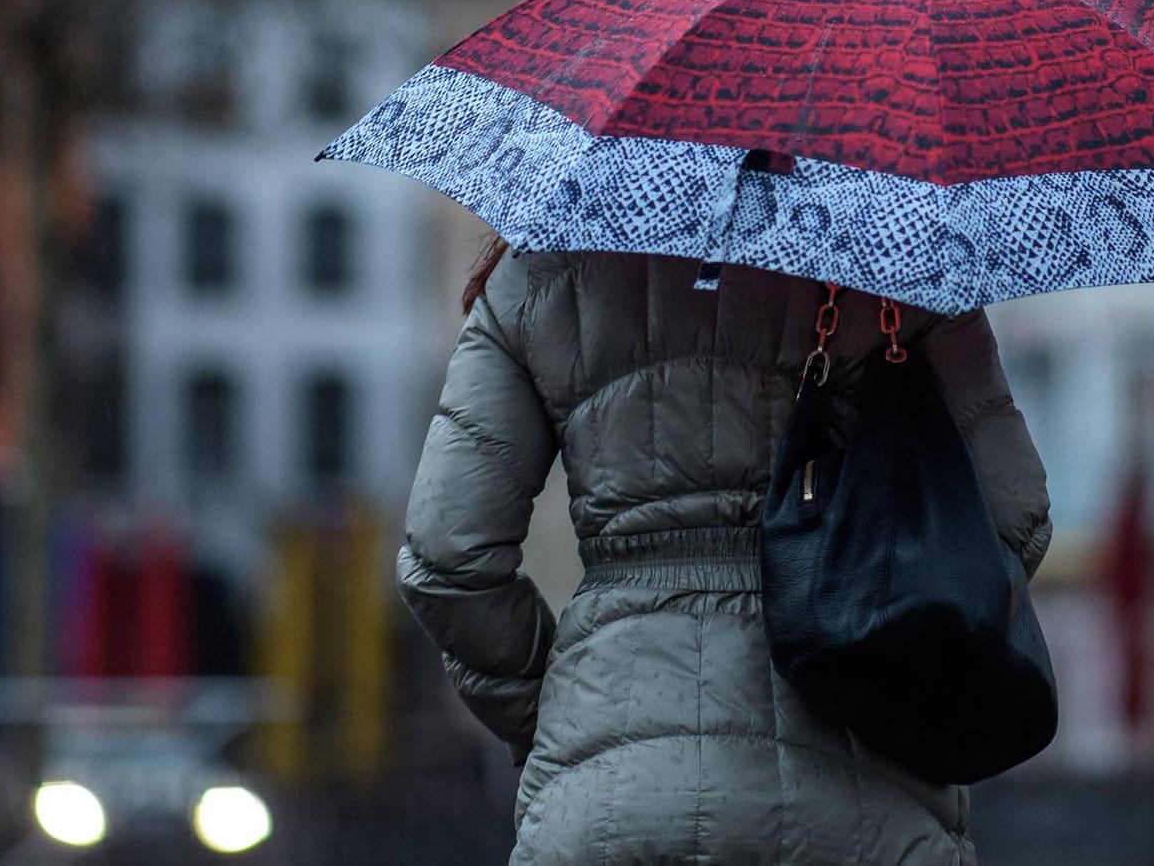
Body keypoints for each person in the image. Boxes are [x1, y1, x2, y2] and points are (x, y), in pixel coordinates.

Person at [397, 239, 1052, 865]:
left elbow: (448, 559)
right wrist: (891, 656)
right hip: (864, 797)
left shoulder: (537, 271)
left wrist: (558, 718)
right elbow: (1011, 518)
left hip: (608, 802)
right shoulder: (894, 255)